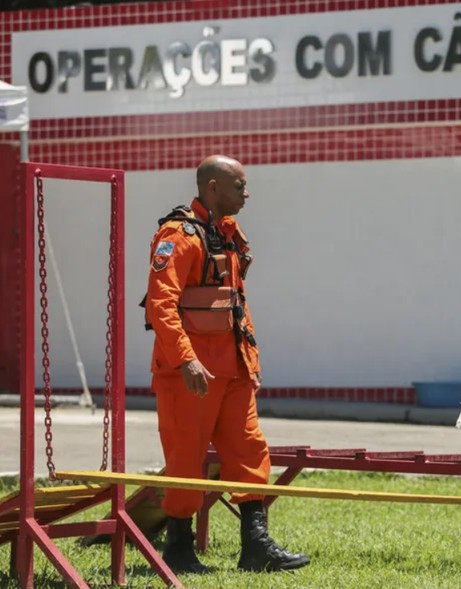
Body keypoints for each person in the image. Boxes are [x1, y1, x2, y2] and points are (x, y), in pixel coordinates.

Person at [144, 155, 309, 574]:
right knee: (185, 459)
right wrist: (186, 360)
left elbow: (234, 305)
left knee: (250, 451)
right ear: (213, 186)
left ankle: (255, 548)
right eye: (240, 186)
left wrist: (248, 364)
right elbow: (162, 306)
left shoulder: (228, 234)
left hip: (233, 371)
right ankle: (178, 550)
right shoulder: (178, 236)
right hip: (190, 376)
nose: (247, 193)